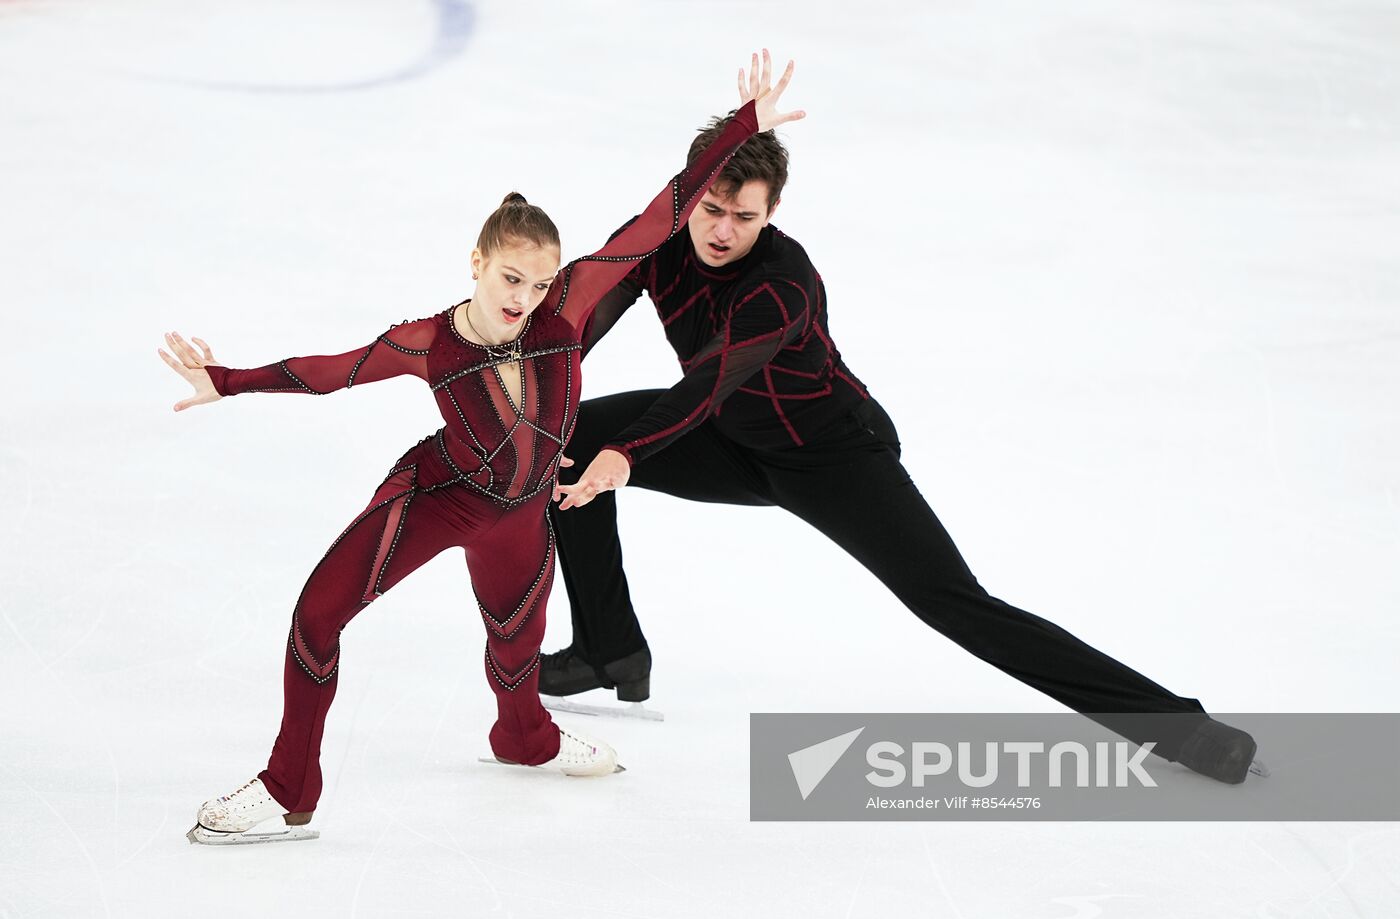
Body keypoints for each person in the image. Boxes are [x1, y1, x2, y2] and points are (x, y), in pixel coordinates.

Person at [542, 51, 1260, 785]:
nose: (722, 229)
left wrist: (626, 453)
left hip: (832, 457)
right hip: (732, 441)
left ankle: (1184, 729)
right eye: (711, 209)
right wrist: (534, 391)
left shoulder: (780, 284)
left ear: (773, 212)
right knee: (561, 444)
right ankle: (610, 647)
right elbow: (587, 302)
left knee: (958, 605)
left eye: (745, 216)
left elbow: (710, 381)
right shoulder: (663, 231)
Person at [161, 55, 806, 844]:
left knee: (516, 649)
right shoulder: (427, 340)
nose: (522, 300)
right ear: (477, 263)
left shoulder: (565, 309)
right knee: (317, 616)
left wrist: (744, 127)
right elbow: (328, 373)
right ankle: (288, 784)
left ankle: (525, 740)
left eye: (537, 285)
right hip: (441, 493)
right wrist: (224, 379)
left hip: (522, 514)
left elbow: (659, 216)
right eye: (509, 279)